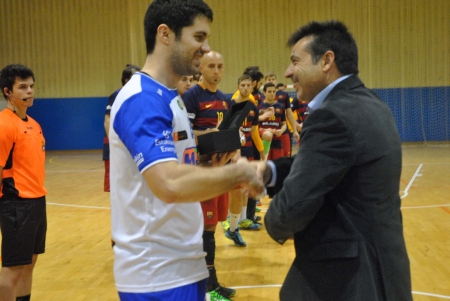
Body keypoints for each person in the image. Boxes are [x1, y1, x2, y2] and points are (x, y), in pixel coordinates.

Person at [108, 2, 264, 301]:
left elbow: (174, 172)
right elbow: (168, 183)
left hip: (182, 266)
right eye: (199, 37)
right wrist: (238, 173)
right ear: (165, 34)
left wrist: (209, 168)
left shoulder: (170, 97)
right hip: (157, 275)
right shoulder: (142, 99)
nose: (206, 49)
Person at [256, 20, 412, 300]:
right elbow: (330, 164)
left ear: (327, 60)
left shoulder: (331, 116)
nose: (287, 72)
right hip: (384, 270)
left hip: (347, 281)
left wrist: (273, 220)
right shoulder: (372, 103)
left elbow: (293, 206)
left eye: (295, 62)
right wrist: (269, 171)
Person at [182, 51, 258, 298]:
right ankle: (205, 287)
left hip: (221, 170)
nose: (216, 71)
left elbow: (228, 134)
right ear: (201, 69)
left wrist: (235, 147)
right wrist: (212, 135)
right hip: (201, 172)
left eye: (220, 66)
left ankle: (210, 282)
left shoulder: (226, 100)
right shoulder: (191, 97)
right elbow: (186, 134)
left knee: (212, 228)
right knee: (204, 229)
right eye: (211, 66)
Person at [0, 64, 47, 301]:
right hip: (16, 205)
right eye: (22, 87)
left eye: (31, 86)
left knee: (30, 262)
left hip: (37, 201)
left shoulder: (33, 124)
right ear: (8, 91)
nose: (29, 91)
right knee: (13, 268)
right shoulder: (4, 124)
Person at [222, 74, 264, 246]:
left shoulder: (253, 107)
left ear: (252, 87)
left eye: (248, 85)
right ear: (238, 86)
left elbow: (253, 132)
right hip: (232, 150)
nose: (245, 88)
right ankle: (229, 220)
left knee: (245, 184)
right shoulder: (231, 104)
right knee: (232, 186)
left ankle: (244, 218)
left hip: (247, 149)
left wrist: (261, 151)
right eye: (243, 85)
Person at [103, 64, 140, 192]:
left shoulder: (137, 96)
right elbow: (107, 120)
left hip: (131, 143)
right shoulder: (117, 95)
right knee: (115, 182)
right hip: (117, 143)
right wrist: (112, 142)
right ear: (126, 79)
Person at [265, 72, 299, 157]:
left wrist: (295, 130)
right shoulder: (262, 97)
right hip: (267, 133)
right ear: (265, 82)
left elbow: (289, 113)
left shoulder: (284, 95)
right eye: (269, 80)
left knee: (285, 157)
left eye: (273, 79)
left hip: (282, 131)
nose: (271, 81)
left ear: (276, 81)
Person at [258, 83, 286, 160]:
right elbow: (256, 127)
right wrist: (267, 130)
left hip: (277, 142)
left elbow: (284, 124)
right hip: (264, 141)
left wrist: (281, 130)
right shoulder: (260, 106)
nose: (272, 94)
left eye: (274, 91)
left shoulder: (281, 107)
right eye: (269, 91)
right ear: (264, 93)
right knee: (264, 167)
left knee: (277, 167)